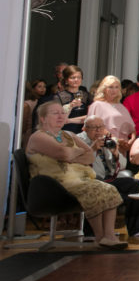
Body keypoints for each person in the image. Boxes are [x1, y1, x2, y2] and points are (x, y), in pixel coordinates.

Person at [27, 101, 128, 250]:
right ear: (42, 118)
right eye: (55, 113)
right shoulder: (38, 137)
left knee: (108, 189)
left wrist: (72, 154)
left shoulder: (69, 135)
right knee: (92, 190)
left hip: (78, 179)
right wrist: (73, 153)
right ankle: (100, 237)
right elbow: (64, 153)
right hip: (53, 185)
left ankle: (109, 236)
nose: (61, 116)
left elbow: (89, 157)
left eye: (62, 112)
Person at [77, 116, 139, 237]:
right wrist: (93, 147)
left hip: (107, 179)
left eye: (101, 127)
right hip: (89, 180)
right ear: (84, 129)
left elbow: (122, 165)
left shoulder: (106, 141)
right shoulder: (79, 140)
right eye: (94, 128)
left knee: (134, 184)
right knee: (101, 188)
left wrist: (115, 153)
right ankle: (92, 233)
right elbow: (79, 161)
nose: (98, 131)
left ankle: (137, 229)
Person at [87, 76, 136, 144]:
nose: (114, 90)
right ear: (104, 89)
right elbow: (91, 127)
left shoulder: (121, 106)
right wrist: (115, 139)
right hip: (104, 144)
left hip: (123, 146)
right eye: (110, 87)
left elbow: (132, 128)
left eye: (116, 87)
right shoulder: (96, 105)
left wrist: (132, 139)